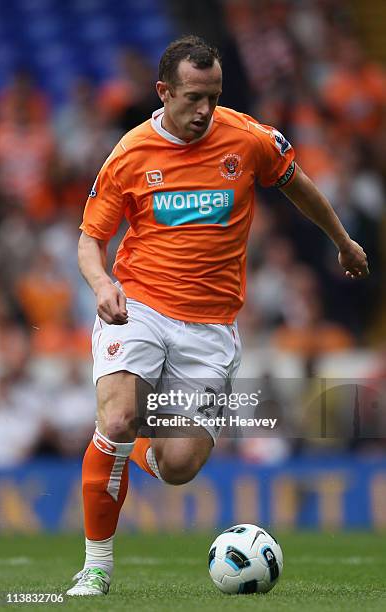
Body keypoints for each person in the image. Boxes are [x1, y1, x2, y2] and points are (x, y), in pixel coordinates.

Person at [67, 35, 369, 596]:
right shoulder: (129, 154)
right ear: (163, 93)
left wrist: (343, 241)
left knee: (178, 464)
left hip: (210, 328)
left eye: (214, 96)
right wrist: (102, 282)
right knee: (115, 418)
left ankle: (128, 445)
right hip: (141, 307)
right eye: (192, 97)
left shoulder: (249, 139)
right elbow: (90, 239)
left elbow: (298, 187)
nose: (205, 110)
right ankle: (97, 566)